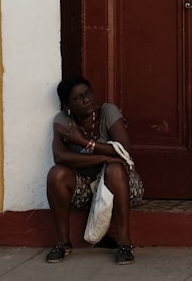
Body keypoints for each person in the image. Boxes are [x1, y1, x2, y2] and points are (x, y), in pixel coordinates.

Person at [45, 76, 144, 265]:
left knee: (114, 168)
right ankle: (63, 243)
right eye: (77, 98)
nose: (86, 100)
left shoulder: (108, 112)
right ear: (67, 105)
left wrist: (84, 143)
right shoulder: (63, 121)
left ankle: (124, 243)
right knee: (56, 174)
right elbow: (60, 157)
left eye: (88, 93)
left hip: (121, 187)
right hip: (84, 189)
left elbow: (123, 149)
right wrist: (104, 156)